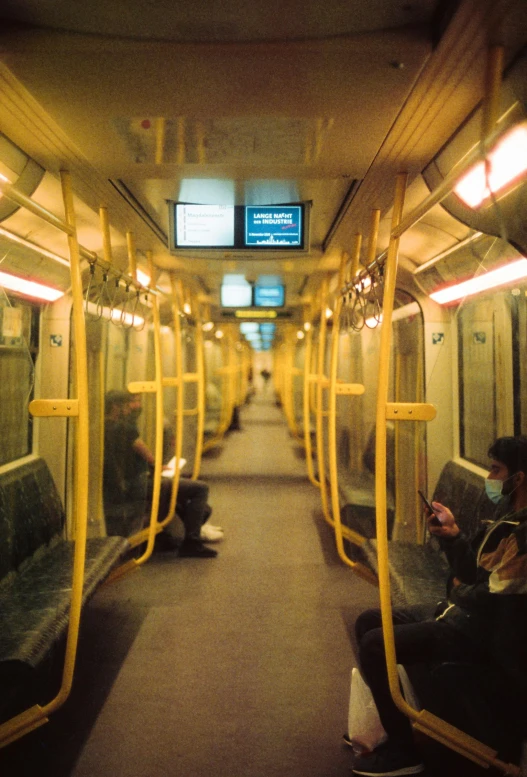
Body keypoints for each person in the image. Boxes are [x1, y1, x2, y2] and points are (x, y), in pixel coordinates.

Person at [351, 435, 527, 776]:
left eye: (495, 470)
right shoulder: (507, 518)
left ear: (518, 478)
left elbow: (490, 596)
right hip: (459, 615)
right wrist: (451, 535)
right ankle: (395, 726)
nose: (491, 478)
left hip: (481, 634)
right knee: (369, 621)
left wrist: (460, 589)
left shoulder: (522, 535)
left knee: (376, 644)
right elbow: (471, 572)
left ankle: (405, 753)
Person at [104, 391, 221, 558]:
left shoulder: (103, 428)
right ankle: (192, 541)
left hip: (130, 482)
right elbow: (147, 455)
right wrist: (158, 467)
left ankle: (174, 534)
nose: (131, 408)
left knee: (176, 494)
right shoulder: (124, 428)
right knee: (199, 489)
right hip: (137, 484)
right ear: (116, 407)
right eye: (127, 404)